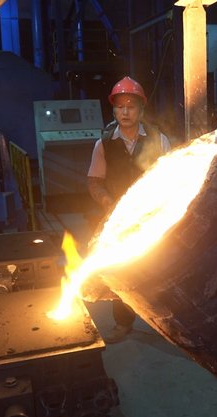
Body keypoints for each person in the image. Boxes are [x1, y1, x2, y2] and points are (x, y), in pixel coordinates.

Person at [87, 76, 171, 343]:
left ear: (141, 110)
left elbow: (170, 175)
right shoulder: (104, 143)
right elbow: (94, 181)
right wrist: (108, 204)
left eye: (131, 107)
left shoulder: (159, 140)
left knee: (158, 268)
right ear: (114, 110)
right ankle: (123, 322)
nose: (125, 112)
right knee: (121, 271)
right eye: (119, 107)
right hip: (118, 219)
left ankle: (165, 322)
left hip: (151, 216)